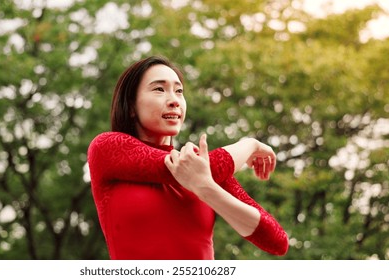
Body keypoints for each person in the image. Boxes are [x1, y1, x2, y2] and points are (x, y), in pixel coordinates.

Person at [87, 55, 288, 260]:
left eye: (179, 91)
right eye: (159, 89)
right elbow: (206, 167)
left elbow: (276, 241)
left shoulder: (199, 168)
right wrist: (249, 144)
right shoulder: (107, 147)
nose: (174, 100)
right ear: (130, 106)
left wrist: (206, 189)